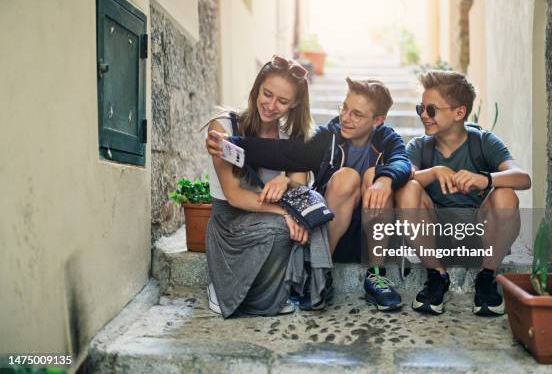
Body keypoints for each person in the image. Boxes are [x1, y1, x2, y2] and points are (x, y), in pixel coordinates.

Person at [207, 77, 414, 311]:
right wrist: (232, 143)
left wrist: (384, 181)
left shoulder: (388, 139)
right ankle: (319, 276)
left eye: (357, 114)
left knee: (375, 175)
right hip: (331, 235)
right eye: (344, 108)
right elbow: (285, 152)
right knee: (347, 177)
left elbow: (401, 162)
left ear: (378, 121)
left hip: (373, 239)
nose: (345, 117)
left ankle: (376, 275)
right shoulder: (328, 137)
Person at [203, 55, 332, 318]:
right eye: (267, 94)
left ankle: (270, 297)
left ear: (294, 103)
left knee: (307, 221)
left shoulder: (292, 137)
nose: (271, 105)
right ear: (256, 89)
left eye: (282, 101)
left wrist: (285, 180)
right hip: (230, 221)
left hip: (266, 213)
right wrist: (284, 213)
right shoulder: (225, 126)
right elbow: (235, 195)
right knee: (282, 226)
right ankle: (224, 287)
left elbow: (298, 185)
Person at [402, 70, 531, 316]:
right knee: (409, 187)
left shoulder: (483, 142)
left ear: (459, 112)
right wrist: (436, 171)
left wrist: (486, 179)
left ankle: (487, 277)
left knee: (505, 194)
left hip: (479, 238)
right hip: (435, 239)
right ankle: (436, 276)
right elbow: (404, 177)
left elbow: (523, 178)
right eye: (421, 108)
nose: (423, 116)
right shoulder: (419, 146)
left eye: (431, 110)